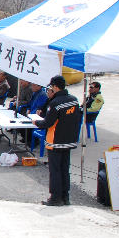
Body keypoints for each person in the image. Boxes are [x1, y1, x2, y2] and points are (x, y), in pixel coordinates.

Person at [33, 75, 81, 206]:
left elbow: (48, 123)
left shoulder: (55, 103)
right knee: (65, 169)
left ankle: (55, 198)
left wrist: (36, 122)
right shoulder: (74, 100)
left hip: (55, 141)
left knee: (55, 170)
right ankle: (65, 197)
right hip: (69, 140)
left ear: (55, 87)